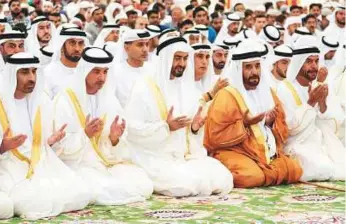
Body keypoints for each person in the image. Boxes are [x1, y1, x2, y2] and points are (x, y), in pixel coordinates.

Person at [125, 36, 233, 197]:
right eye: (177, 58)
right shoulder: (144, 87)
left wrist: (194, 128)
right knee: (185, 186)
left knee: (223, 178)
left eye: (184, 58)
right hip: (154, 156)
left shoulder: (185, 88)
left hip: (184, 157)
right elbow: (132, 130)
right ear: (166, 59)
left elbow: (189, 133)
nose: (182, 64)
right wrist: (166, 127)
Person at [0, 52, 90, 220]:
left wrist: (49, 142)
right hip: (9, 168)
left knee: (82, 193)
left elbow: (40, 146)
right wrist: (3, 146)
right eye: (24, 72)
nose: (31, 78)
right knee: (35, 203)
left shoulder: (40, 101)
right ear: (11, 74)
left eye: (34, 71)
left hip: (42, 166)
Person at [52, 47, 153, 205]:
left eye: (105, 72)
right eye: (96, 71)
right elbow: (58, 146)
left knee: (143, 183)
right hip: (79, 164)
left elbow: (117, 145)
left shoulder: (109, 99)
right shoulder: (65, 100)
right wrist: (84, 134)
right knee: (95, 188)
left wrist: (114, 139)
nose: (102, 77)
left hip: (105, 162)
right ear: (85, 71)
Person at [204, 39, 302, 188]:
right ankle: (267, 173)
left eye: (257, 66)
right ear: (238, 69)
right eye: (248, 67)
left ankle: (266, 173)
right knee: (251, 177)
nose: (254, 72)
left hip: (264, 153)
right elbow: (214, 137)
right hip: (237, 152)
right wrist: (245, 124)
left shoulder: (267, 92)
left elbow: (282, 126)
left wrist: (270, 122)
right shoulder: (227, 95)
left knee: (296, 169)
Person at [275, 36, 345, 181]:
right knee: (321, 169)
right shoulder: (285, 88)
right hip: (296, 143)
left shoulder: (319, 85)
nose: (314, 66)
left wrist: (323, 103)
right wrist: (311, 102)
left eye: (316, 61)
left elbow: (335, 121)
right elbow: (289, 127)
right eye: (308, 61)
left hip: (320, 138)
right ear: (298, 63)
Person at [44, 28, 88, 99]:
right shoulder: (48, 72)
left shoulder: (87, 70)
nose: (77, 48)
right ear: (61, 46)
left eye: (80, 43)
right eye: (72, 43)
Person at [113, 29, 151, 107]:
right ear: (126, 48)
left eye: (147, 44)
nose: (145, 50)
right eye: (140, 45)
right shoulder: (115, 72)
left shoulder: (154, 69)